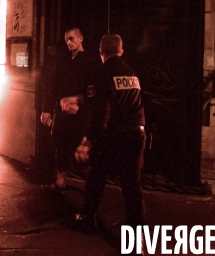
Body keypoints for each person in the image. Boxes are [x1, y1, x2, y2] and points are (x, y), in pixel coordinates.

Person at [72, 33, 146, 239]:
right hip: (137, 134)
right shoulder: (131, 73)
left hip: (114, 136)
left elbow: (100, 112)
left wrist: (87, 141)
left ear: (100, 52)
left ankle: (88, 220)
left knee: (95, 177)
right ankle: (137, 238)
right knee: (132, 187)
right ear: (121, 51)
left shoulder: (100, 73)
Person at [40, 28, 99, 191]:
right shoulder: (63, 60)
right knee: (60, 143)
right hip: (62, 111)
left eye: (72, 39)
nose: (69, 42)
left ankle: (90, 186)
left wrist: (79, 104)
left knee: (83, 148)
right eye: (66, 40)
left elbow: (94, 90)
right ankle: (61, 181)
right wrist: (47, 109)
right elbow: (53, 86)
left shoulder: (89, 61)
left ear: (81, 39)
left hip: (81, 114)